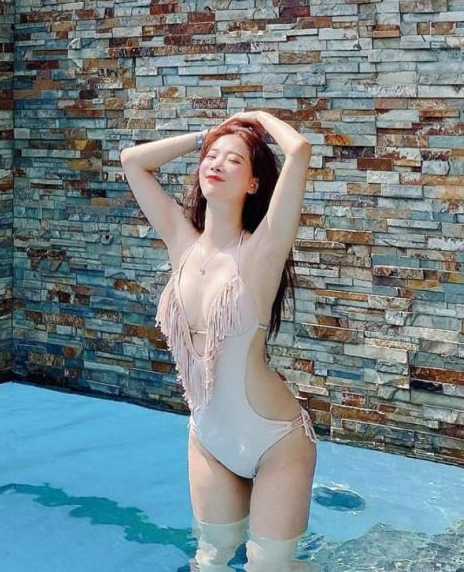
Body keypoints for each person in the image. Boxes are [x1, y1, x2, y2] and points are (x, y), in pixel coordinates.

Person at [120, 110, 318, 571]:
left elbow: (300, 150)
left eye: (234, 160)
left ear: (253, 183)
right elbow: (132, 161)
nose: (217, 163)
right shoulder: (181, 241)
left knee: (267, 565)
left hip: (276, 442)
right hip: (209, 438)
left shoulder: (262, 250)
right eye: (212, 156)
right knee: (210, 558)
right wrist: (203, 136)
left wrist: (258, 119)